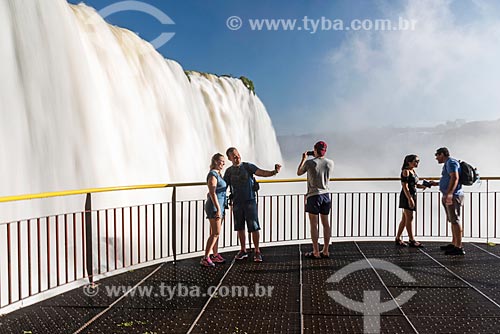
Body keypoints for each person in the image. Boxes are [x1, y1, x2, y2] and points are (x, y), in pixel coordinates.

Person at [224, 147, 281, 262]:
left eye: (237, 154)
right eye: (234, 155)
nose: (237, 156)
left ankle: (257, 251)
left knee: (254, 227)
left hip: (250, 201)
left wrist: (274, 172)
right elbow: (223, 186)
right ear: (229, 158)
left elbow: (262, 173)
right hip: (237, 203)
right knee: (239, 227)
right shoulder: (229, 171)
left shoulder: (248, 166)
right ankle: (243, 250)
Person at [297, 141, 334, 259]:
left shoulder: (309, 163)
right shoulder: (330, 163)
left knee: (314, 225)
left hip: (313, 196)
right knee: (326, 224)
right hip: (326, 195)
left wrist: (303, 158)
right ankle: (326, 250)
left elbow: (299, 172)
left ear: (315, 150)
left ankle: (316, 251)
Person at [429, 147, 465, 255]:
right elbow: (448, 178)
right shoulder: (449, 163)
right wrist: (436, 183)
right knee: (452, 219)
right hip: (450, 195)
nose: (436, 158)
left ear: (442, 154)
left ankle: (459, 247)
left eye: (437, 155)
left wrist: (449, 193)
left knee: (455, 220)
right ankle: (454, 243)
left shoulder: (451, 163)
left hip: (453, 196)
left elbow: (455, 178)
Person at [200, 153, 228, 267]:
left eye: (224, 161)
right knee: (215, 233)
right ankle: (206, 258)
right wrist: (217, 209)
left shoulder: (218, 174)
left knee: (216, 232)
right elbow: (212, 192)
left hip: (219, 206)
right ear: (216, 161)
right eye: (221, 161)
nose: (223, 163)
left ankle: (215, 255)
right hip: (214, 207)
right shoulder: (212, 174)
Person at [395, 154, 428, 248]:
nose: (417, 163)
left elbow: (414, 184)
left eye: (418, 161)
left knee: (405, 219)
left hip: (412, 195)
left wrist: (422, 186)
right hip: (407, 196)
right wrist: (409, 199)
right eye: (415, 161)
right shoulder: (406, 171)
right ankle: (412, 240)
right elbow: (405, 186)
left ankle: (398, 238)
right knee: (409, 218)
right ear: (409, 162)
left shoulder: (412, 171)